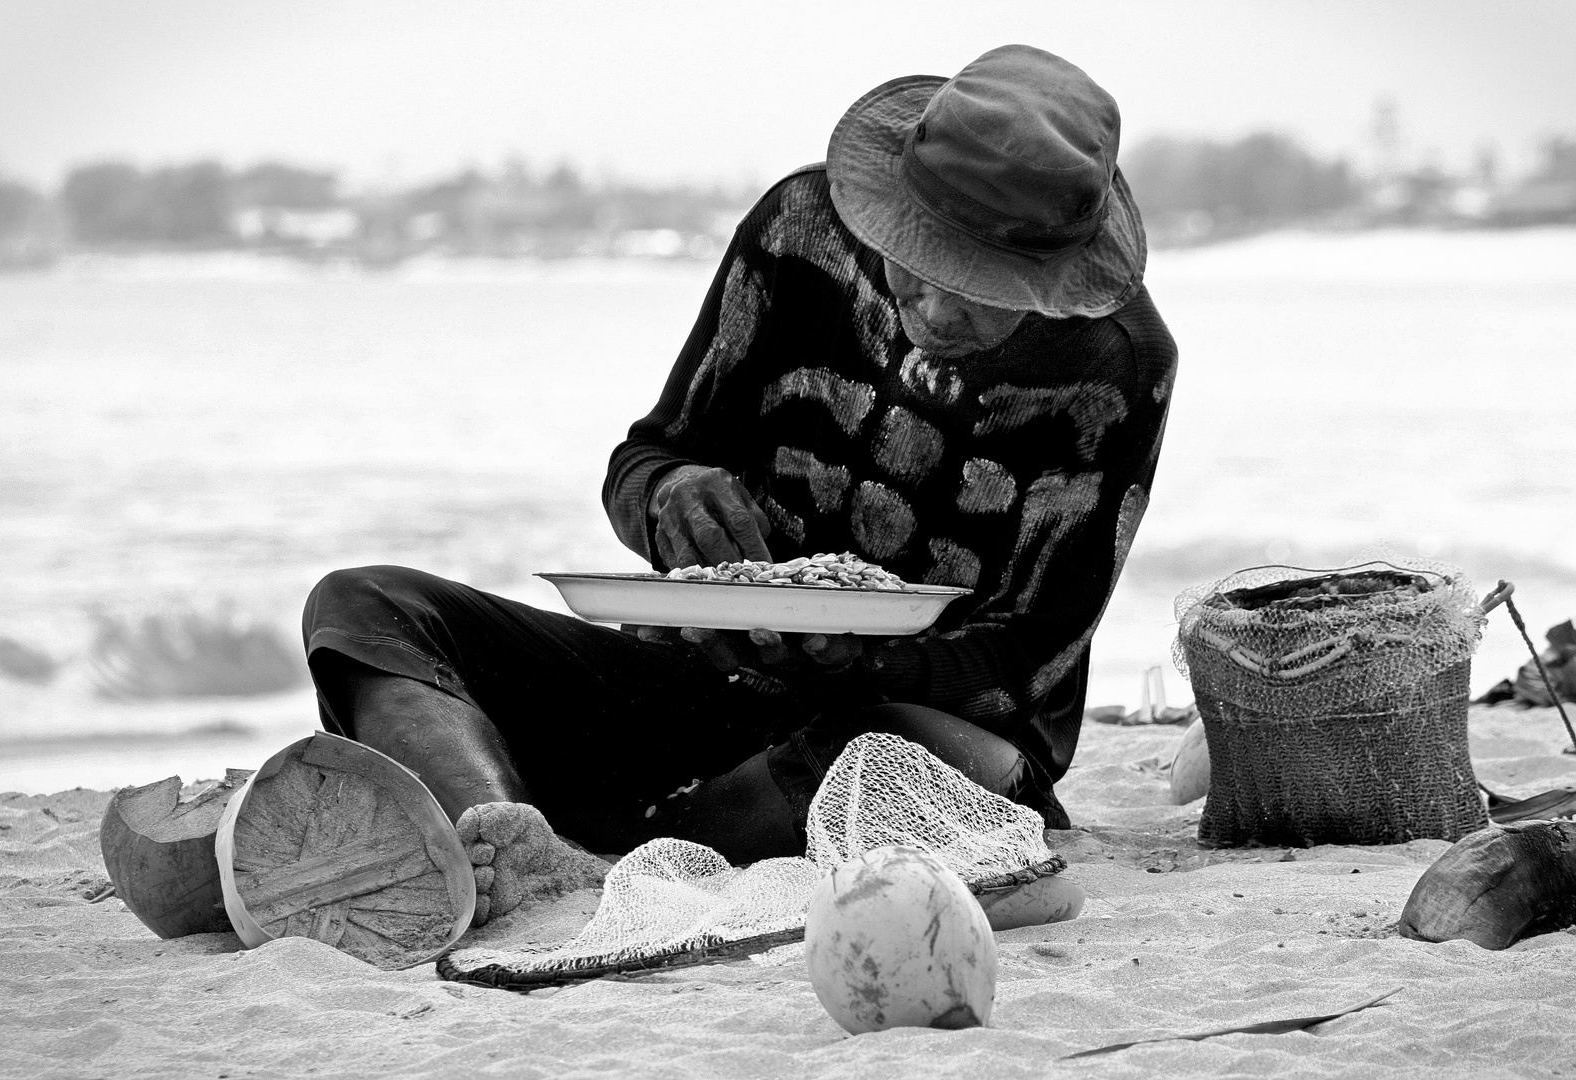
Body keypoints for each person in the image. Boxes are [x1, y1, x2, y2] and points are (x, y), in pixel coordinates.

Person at [302, 44, 1177, 925]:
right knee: (365, 605)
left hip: (920, 734)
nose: (938, 309)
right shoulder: (798, 231)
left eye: (983, 288)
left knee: (883, 755)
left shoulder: (1117, 364)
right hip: (705, 688)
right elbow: (644, 460)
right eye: (921, 260)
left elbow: (1031, 657)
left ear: (1055, 281)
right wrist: (672, 493)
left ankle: (620, 854)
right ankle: (506, 838)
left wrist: (861, 659)